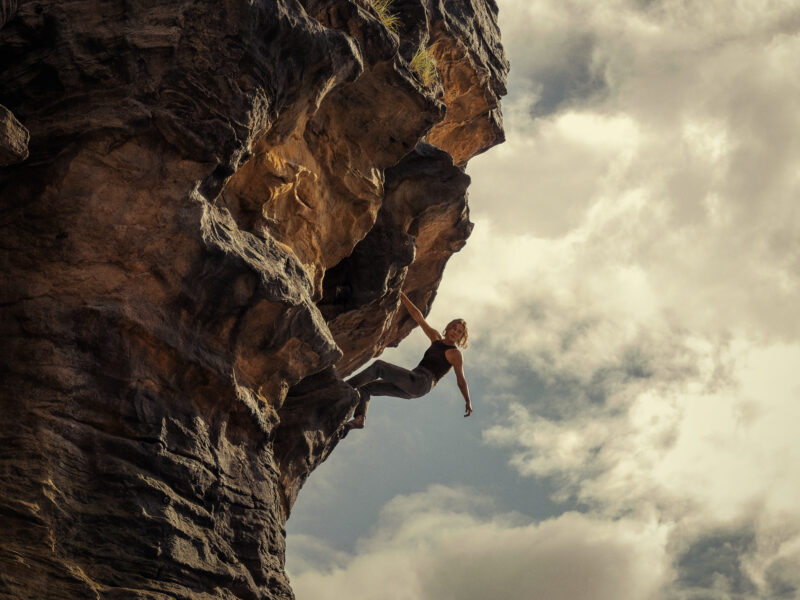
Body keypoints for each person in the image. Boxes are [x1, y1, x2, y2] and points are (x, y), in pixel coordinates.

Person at [343, 292, 473, 434]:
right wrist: (402, 295)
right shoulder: (436, 337)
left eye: (459, 332)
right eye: (454, 328)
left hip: (423, 382)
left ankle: (344, 388)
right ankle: (359, 419)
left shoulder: (455, 354)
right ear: (448, 328)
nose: (455, 332)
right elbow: (419, 317)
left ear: (461, 337)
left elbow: (461, 380)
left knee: (379, 366)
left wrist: (467, 401)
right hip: (412, 384)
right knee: (366, 388)